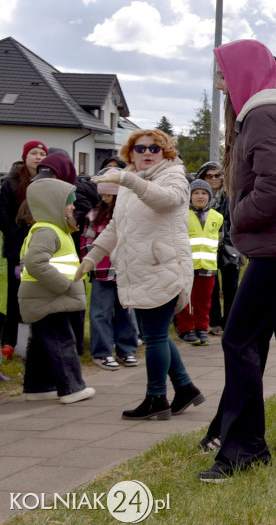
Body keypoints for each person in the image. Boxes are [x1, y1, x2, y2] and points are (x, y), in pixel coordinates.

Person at [198, 39, 276, 483]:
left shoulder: (261, 116)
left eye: (222, 74)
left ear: (243, 75)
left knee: (238, 341)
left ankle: (245, 449)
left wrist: (239, 219)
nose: (218, 83)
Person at [75, 129, 204, 421]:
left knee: (155, 336)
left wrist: (126, 180)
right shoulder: (131, 181)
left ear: (166, 153)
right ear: (130, 153)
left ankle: (156, 397)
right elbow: (115, 226)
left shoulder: (172, 175)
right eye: (140, 148)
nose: (147, 153)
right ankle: (185, 388)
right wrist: (92, 258)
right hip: (139, 268)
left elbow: (167, 200)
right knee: (153, 333)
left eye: (154, 149)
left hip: (163, 267)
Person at [19, 177, 95, 404]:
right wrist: (64, 286)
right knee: (62, 341)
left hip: (44, 296)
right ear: (52, 205)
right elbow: (35, 263)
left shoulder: (51, 230)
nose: (73, 206)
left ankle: (38, 387)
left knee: (42, 344)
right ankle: (71, 388)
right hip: (50, 297)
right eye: (68, 203)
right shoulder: (48, 231)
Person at [79, 170, 138, 369]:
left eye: (109, 195)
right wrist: (90, 261)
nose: (105, 199)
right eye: (102, 195)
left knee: (127, 312)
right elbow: (86, 241)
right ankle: (102, 352)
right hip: (101, 273)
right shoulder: (93, 215)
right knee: (100, 313)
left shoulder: (129, 215)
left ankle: (127, 350)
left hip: (125, 272)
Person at [1, 140, 48, 356]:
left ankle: (36, 340)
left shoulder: (48, 181)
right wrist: (18, 240)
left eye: (41, 153)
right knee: (16, 294)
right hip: (16, 247)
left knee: (38, 293)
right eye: (34, 153)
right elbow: (4, 217)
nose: (38, 157)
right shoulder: (10, 183)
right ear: (25, 156)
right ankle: (10, 341)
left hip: (42, 246)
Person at [174, 179, 223, 346]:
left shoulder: (218, 217)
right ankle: (186, 329)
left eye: (204, 193)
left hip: (208, 266)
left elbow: (220, 239)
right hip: (187, 266)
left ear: (209, 196)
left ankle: (201, 328)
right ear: (189, 196)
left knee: (204, 301)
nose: (200, 196)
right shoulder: (182, 215)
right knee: (186, 300)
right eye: (196, 193)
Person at [197, 160, 237, 336]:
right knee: (211, 287)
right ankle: (214, 321)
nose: (214, 179)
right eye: (209, 176)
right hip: (207, 246)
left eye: (217, 175)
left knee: (231, 286)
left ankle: (230, 321)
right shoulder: (199, 196)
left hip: (229, 245)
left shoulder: (231, 195)